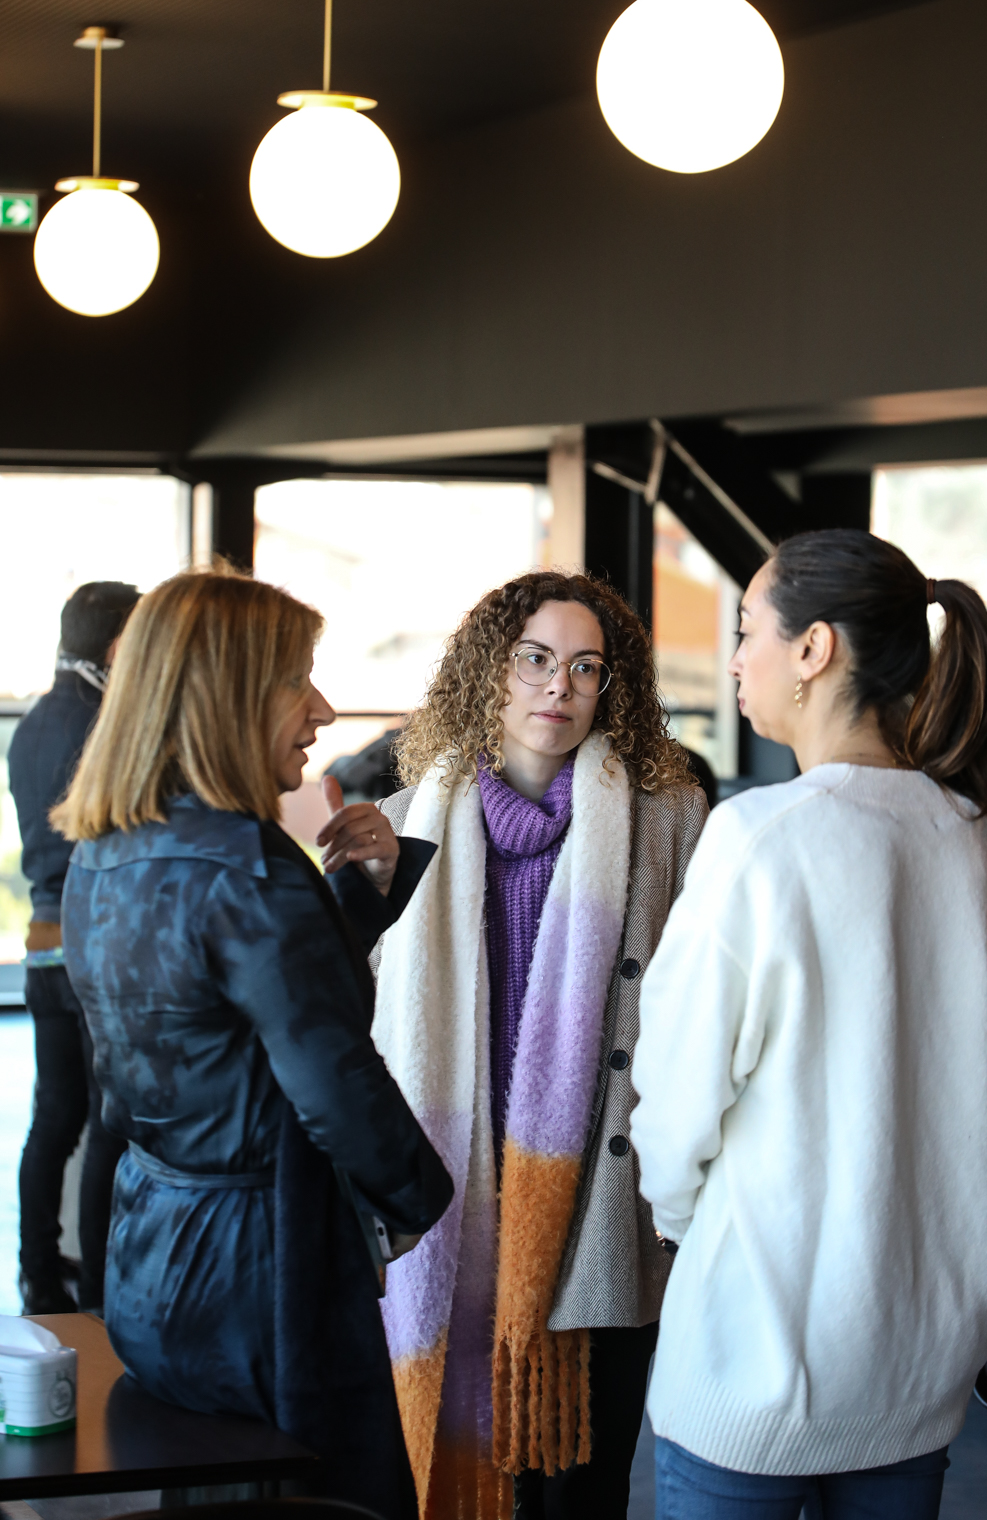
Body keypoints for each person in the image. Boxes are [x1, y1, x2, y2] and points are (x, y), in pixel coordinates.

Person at [631, 529, 987, 1520]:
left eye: (744, 629)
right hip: (915, 1361)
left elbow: (676, 1105)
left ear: (812, 650)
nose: (732, 658)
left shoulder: (757, 836)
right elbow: (980, 1049)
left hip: (752, 1358)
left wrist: (690, 1226)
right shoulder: (968, 833)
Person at [55, 567, 454, 1520]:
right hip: (267, 1276)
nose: (321, 709)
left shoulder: (104, 851)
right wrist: (421, 1205)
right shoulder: (247, 868)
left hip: (152, 1251)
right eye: (299, 681)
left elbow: (231, 1024)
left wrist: (354, 892)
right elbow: (331, 1074)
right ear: (229, 693)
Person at [318, 570, 709, 1520]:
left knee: (584, 1482)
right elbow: (347, 1010)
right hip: (452, 1191)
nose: (558, 688)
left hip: (601, 1198)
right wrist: (355, 898)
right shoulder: (416, 812)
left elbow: (700, 1012)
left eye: (586, 667)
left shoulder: (670, 818)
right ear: (489, 669)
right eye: (534, 659)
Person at [9, 579, 139, 1315]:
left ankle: (36, 1271)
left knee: (52, 1117)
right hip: (94, 944)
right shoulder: (102, 726)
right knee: (105, 1120)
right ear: (119, 644)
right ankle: (95, 1284)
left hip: (42, 944)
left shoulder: (31, 724)